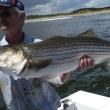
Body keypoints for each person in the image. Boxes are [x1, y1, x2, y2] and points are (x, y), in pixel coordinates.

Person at [0, 0, 94, 110]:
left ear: (22, 17)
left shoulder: (40, 44)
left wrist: (73, 62)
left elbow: (60, 80)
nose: (1, 19)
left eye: (6, 14)